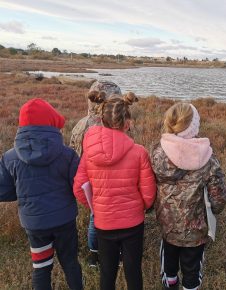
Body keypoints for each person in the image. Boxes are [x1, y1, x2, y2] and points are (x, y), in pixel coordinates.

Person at [73, 91, 156, 290]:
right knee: (133, 271)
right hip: (133, 223)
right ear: (128, 121)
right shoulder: (139, 152)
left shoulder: (89, 152)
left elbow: (78, 188)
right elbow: (149, 192)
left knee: (107, 273)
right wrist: (140, 207)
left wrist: (96, 207)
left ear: (101, 119)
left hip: (103, 223)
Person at [0, 98, 83, 290]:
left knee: (41, 267)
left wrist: (23, 193)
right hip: (64, 221)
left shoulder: (9, 157)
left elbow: (3, 191)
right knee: (70, 263)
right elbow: (77, 187)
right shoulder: (68, 155)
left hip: (34, 224)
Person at [151, 102, 226, 290]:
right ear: (194, 127)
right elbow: (219, 197)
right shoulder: (206, 157)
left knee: (168, 266)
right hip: (196, 231)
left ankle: (170, 284)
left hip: (167, 226)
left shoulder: (157, 152)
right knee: (192, 269)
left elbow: (148, 186)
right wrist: (214, 211)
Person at [70, 80, 122, 266]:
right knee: (114, 218)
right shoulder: (114, 124)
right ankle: (115, 252)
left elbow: (74, 155)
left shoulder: (81, 125)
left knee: (95, 217)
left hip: (89, 183)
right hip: (110, 183)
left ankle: (94, 255)